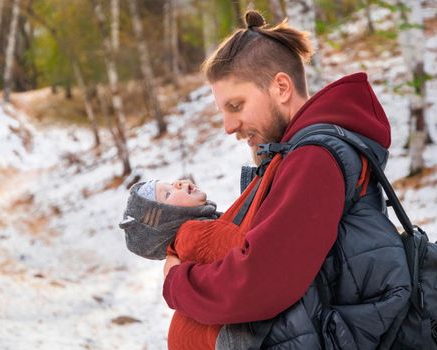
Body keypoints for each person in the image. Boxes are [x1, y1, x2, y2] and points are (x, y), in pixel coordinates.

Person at [162, 10, 410, 350]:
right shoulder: (296, 153)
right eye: (223, 111)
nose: (228, 126)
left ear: (281, 87)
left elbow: (259, 281)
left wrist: (177, 283)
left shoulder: (315, 158)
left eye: (236, 105)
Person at [120, 156, 282, 349]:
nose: (178, 183)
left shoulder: (194, 234)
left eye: (171, 184)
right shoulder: (193, 233)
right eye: (168, 194)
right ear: (166, 219)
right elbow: (252, 248)